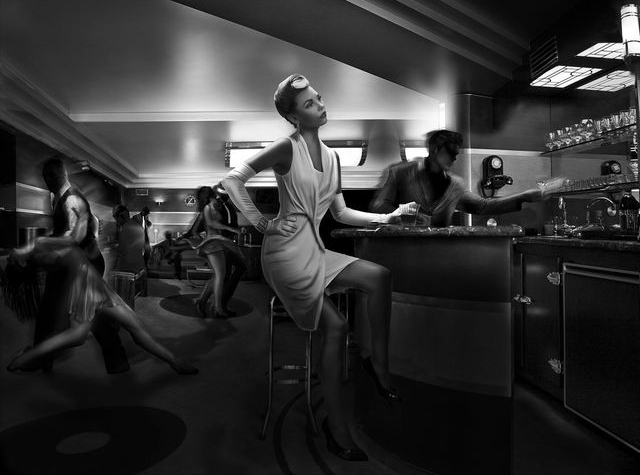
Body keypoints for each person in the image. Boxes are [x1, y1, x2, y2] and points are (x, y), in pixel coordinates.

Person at [221, 74, 417, 462]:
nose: (321, 105)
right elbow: (232, 179)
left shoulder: (332, 157)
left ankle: (377, 363)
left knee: (379, 277)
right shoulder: (285, 147)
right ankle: (337, 429)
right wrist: (261, 223)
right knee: (337, 326)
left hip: (314, 249)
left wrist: (388, 217)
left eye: (319, 98)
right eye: (310, 103)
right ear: (294, 117)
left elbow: (340, 212)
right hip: (284, 255)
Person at [2, 211, 198, 376]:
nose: (11, 252)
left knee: (135, 326)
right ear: (21, 262)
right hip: (84, 285)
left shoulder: (40, 250)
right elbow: (72, 241)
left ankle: (174, 362)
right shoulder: (40, 246)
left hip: (94, 283)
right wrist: (83, 219)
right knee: (79, 335)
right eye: (11, 258)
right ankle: (29, 356)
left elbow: (70, 245)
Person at [34, 158, 129, 374]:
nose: (48, 180)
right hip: (75, 261)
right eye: (45, 177)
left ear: (62, 175)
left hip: (85, 262)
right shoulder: (57, 197)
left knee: (89, 311)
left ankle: (117, 359)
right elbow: (66, 231)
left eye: (51, 176)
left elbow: (73, 238)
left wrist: (46, 251)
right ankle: (43, 358)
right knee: (51, 308)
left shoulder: (71, 199)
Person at [370, 129, 549, 226]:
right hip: (404, 249)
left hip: (442, 253)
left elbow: (483, 206)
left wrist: (523, 196)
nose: (454, 158)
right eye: (450, 152)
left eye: (456, 154)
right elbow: (378, 205)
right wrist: (403, 216)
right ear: (435, 150)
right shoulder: (400, 172)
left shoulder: (455, 184)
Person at [190, 186, 244, 319]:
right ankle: (218, 308)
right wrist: (230, 229)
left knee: (218, 276)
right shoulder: (208, 207)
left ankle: (203, 302)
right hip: (213, 243)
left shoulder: (211, 206)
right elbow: (211, 224)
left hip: (217, 242)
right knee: (220, 276)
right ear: (210, 194)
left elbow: (197, 230)